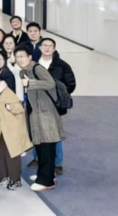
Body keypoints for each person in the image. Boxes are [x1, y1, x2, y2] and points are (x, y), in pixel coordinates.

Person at [16, 45, 63, 192]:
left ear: (30, 57)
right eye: (17, 57)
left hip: (46, 113)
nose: (20, 59)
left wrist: (31, 83)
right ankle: (46, 174)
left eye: (22, 56)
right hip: (35, 113)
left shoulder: (37, 68)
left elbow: (50, 83)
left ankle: (46, 180)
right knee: (40, 147)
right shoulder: (24, 71)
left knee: (47, 147)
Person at [0, 68, 32, 190]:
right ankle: (3, 176)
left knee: (12, 153)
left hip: (13, 126)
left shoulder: (6, 92)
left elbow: (20, 108)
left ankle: (15, 180)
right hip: (0, 127)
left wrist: (11, 107)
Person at [35, 37, 76, 175]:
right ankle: (37, 159)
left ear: (54, 49)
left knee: (55, 133)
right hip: (36, 104)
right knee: (36, 131)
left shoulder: (62, 65)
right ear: (40, 48)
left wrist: (59, 96)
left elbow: (71, 84)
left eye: (50, 46)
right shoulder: (33, 64)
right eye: (44, 45)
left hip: (54, 106)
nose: (47, 48)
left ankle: (57, 163)